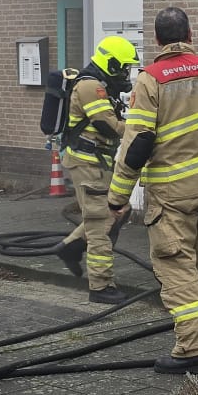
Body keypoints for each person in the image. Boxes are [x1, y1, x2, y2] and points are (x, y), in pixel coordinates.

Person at [107, 8, 198, 374]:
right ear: (190, 33)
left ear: (156, 41)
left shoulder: (151, 80)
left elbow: (138, 144)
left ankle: (193, 350)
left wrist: (117, 197)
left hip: (173, 194)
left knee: (176, 266)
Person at [55, 35, 141, 303]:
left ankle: (69, 248)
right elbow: (108, 126)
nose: (127, 74)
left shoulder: (102, 86)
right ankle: (101, 287)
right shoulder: (91, 87)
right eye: (124, 68)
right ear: (112, 64)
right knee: (101, 222)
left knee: (119, 210)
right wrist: (144, 129)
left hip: (100, 162)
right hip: (87, 163)